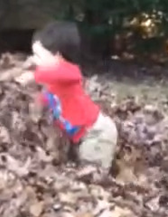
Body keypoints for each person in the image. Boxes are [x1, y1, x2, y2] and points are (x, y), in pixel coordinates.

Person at [17, 21, 118, 172]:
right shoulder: (53, 83)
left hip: (97, 133)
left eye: (38, 55)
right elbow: (45, 99)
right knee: (81, 167)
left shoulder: (69, 72)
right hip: (83, 136)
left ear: (57, 57)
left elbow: (70, 74)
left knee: (92, 173)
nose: (34, 60)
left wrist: (34, 75)